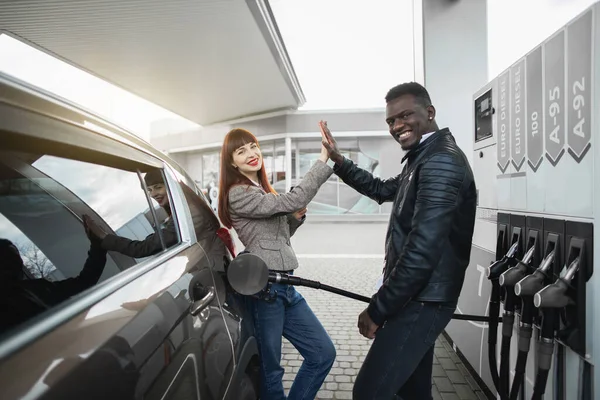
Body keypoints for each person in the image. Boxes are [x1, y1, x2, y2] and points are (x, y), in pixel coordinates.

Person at [320, 82, 477, 399]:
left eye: (406, 115)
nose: (397, 126)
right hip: (419, 298)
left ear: (429, 112)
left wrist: (378, 309)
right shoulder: (422, 158)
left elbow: (421, 253)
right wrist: (337, 159)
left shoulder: (440, 161)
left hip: (421, 301)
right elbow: (379, 189)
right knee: (413, 393)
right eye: (391, 120)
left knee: (369, 392)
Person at [218, 128, 336, 400]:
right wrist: (323, 157)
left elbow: (278, 239)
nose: (251, 153)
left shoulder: (260, 190)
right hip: (265, 291)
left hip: (285, 287)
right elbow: (295, 198)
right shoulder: (239, 193)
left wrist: (293, 219)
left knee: (322, 353)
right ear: (231, 162)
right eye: (241, 151)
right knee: (271, 372)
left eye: (253, 146)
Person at [0, 218, 108, 334]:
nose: (19, 264)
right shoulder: (37, 289)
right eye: (12, 260)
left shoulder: (37, 288)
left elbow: (83, 282)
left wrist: (97, 248)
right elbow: (84, 282)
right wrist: (98, 247)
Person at [84, 170, 178, 258]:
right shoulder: (177, 212)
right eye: (149, 190)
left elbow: (143, 248)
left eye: (158, 187)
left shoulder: (182, 217)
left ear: (171, 185)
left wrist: (104, 237)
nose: (152, 194)